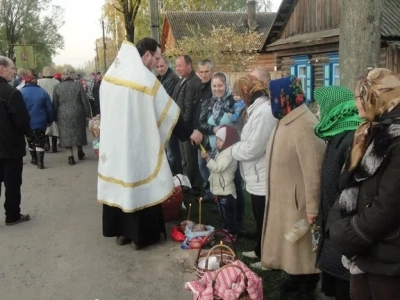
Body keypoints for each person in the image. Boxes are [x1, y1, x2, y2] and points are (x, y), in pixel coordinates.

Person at [98, 37, 199, 249]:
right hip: (136, 145)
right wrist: (189, 132)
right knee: (138, 180)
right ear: (147, 55)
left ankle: (121, 233)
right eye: (157, 56)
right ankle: (139, 236)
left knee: (120, 181)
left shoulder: (110, 76)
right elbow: (169, 112)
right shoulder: (144, 79)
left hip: (115, 146)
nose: (158, 61)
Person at [327, 68, 400, 300]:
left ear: (377, 96)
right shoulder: (368, 132)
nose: (356, 102)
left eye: (360, 95)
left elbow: (388, 207)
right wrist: (337, 219)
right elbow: (349, 184)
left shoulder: (396, 142)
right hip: (364, 254)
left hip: (388, 257)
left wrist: (349, 233)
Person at [260, 75, 325, 299]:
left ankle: (305, 288)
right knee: (292, 249)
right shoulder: (286, 118)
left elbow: (314, 170)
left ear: (284, 97)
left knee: (302, 251)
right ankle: (294, 280)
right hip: (286, 199)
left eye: (272, 97)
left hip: (300, 204)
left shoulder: (305, 125)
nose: (270, 101)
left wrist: (313, 207)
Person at [314, 86, 362, 300]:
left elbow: (349, 187)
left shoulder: (350, 137)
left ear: (333, 107)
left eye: (321, 107)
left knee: (344, 286)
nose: (318, 112)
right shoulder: (336, 133)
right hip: (333, 224)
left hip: (342, 225)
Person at [230, 74, 275, 264]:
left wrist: (232, 150)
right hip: (257, 172)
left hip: (261, 173)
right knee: (259, 216)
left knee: (264, 218)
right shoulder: (257, 109)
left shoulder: (263, 112)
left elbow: (253, 148)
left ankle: (268, 257)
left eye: (240, 93)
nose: (239, 97)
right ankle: (260, 250)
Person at [0, 56, 31, 225]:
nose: (14, 71)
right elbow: (23, 122)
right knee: (12, 183)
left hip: (7, 146)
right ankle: (12, 215)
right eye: (12, 68)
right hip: (10, 146)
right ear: (1, 69)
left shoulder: (11, 92)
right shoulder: (11, 93)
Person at [201, 125, 240, 240]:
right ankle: (226, 229)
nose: (217, 142)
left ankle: (232, 234)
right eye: (217, 139)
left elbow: (218, 167)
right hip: (221, 190)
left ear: (228, 141)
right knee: (223, 212)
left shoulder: (228, 154)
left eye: (220, 139)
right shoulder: (221, 152)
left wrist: (208, 159)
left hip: (226, 190)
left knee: (228, 214)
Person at [172, 55, 203, 195]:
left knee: (190, 159)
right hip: (180, 126)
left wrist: (184, 128)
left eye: (181, 65)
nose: (178, 68)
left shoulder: (192, 82)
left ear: (189, 66)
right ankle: (187, 183)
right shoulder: (182, 81)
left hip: (187, 127)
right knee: (184, 158)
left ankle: (195, 187)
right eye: (176, 66)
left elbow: (188, 108)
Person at [53, 68, 91, 165]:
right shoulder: (78, 85)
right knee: (79, 132)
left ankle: (70, 157)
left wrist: (54, 115)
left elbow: (55, 103)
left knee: (66, 134)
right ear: (72, 75)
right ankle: (80, 151)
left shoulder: (57, 87)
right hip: (78, 112)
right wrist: (88, 113)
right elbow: (84, 101)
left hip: (63, 113)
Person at [21, 76, 54, 169]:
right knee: (40, 141)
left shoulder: (21, 92)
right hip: (41, 120)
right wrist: (50, 120)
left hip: (28, 121)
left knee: (30, 140)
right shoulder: (43, 92)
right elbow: (49, 108)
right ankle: (41, 163)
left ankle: (34, 159)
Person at [194, 59, 214, 201]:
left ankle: (215, 194)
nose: (204, 75)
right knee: (202, 166)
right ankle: (209, 192)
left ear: (212, 72)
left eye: (206, 71)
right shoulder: (198, 87)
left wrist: (201, 129)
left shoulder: (214, 88)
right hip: (198, 132)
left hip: (209, 133)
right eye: (201, 72)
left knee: (211, 165)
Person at [38, 66, 60, 153]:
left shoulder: (39, 82)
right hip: (54, 105)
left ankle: (46, 144)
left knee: (45, 125)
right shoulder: (57, 82)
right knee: (54, 125)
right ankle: (54, 146)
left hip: (43, 105)